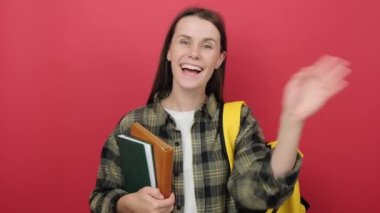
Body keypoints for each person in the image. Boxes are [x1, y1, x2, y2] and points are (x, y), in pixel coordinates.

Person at [89, 7, 351, 213]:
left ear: (219, 59)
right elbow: (101, 198)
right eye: (184, 42)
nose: (194, 53)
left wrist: (292, 119)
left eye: (207, 45)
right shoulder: (132, 125)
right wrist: (128, 204)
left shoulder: (238, 121)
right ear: (169, 51)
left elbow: (257, 195)